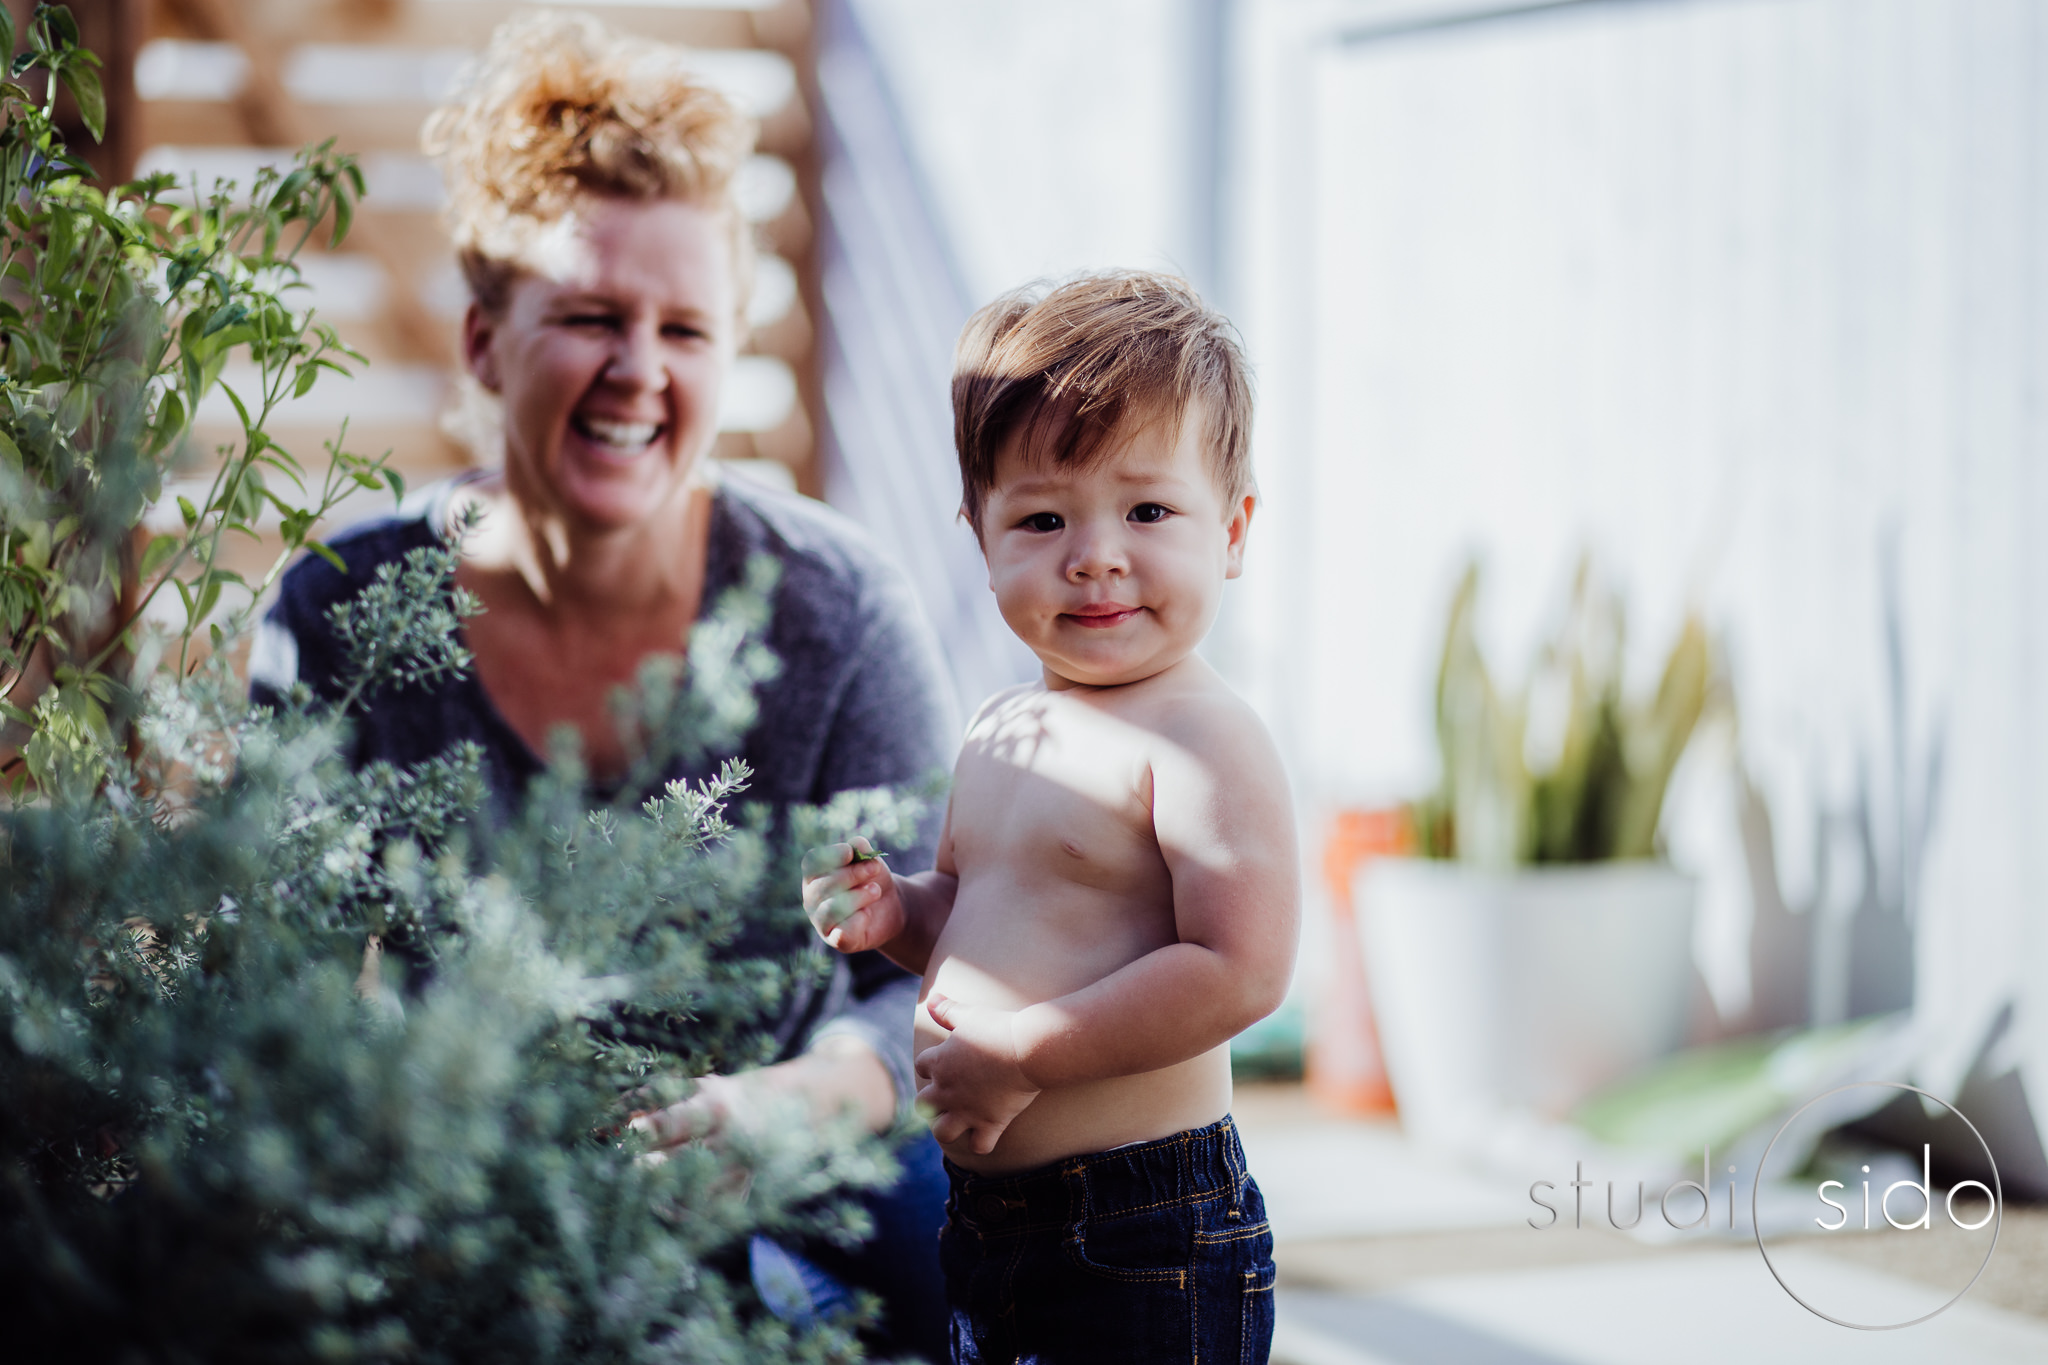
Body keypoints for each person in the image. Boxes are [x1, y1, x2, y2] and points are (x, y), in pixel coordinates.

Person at [247, 14, 954, 1359]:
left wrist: (800, 1101)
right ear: (484, 341)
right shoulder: (346, 612)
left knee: (953, 1222)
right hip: (477, 1186)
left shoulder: (835, 610)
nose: (640, 369)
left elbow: (934, 974)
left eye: (686, 327)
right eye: (588, 315)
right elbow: (277, 991)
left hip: (785, 1168)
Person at [801, 272, 1300, 1364]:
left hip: (1143, 1225)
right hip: (990, 1223)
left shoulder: (1201, 738)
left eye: (1148, 510)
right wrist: (900, 913)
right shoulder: (1001, 730)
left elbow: (1237, 970)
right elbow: (986, 922)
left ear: (1233, 527)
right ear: (978, 538)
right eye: (1040, 516)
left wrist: (1023, 1055)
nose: (1093, 553)